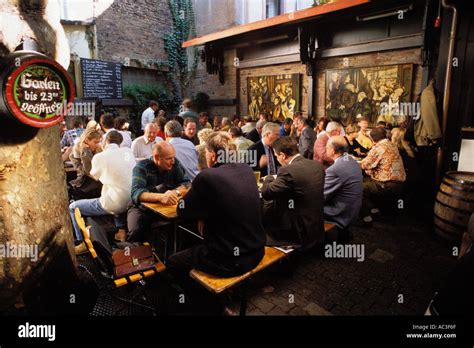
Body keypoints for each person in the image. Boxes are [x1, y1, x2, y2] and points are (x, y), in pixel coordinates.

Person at [168, 132, 266, 277]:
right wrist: (204, 217)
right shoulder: (246, 169)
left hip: (230, 261)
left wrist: (201, 214)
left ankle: (199, 298)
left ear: (213, 155)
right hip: (257, 252)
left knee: (172, 261)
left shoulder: (207, 176)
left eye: (206, 153)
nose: (205, 156)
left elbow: (182, 211)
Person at [70, 131, 136, 253]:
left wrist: (86, 152)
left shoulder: (100, 157)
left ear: (105, 141)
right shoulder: (128, 152)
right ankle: (121, 231)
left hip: (115, 203)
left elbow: (91, 173)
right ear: (120, 141)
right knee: (116, 190)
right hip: (131, 201)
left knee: (73, 207)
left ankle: (82, 243)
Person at [260, 136, 325, 250]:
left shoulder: (287, 171)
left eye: (276, 156)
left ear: (283, 155)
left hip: (298, 229)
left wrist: (268, 178)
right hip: (316, 223)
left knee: (266, 204)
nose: (276, 159)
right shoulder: (317, 165)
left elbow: (267, 192)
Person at [127, 142, 190, 242]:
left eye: (173, 157)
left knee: (185, 223)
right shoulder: (141, 167)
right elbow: (136, 193)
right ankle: (135, 253)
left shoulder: (174, 163)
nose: (173, 161)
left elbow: (186, 183)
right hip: (142, 208)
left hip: (166, 207)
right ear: (156, 157)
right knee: (136, 231)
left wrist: (175, 192)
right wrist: (161, 197)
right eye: (169, 158)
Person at [360, 128, 406, 226]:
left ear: (373, 139)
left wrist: (352, 161)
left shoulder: (379, 147)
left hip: (387, 185)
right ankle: (374, 211)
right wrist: (371, 171)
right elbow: (385, 164)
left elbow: (364, 165)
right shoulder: (392, 145)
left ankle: (366, 219)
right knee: (368, 180)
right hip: (400, 184)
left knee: (359, 188)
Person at [323, 136, 363, 240]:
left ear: (333, 150)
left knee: (304, 207)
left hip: (340, 213)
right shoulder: (352, 161)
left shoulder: (334, 169)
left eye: (326, 147)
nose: (325, 149)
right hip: (352, 211)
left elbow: (322, 197)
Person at [69, 128, 103, 199]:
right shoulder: (74, 155)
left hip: (98, 183)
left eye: (98, 142)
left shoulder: (99, 150)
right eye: (95, 142)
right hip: (86, 184)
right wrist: (86, 151)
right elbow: (87, 170)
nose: (97, 145)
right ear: (87, 140)